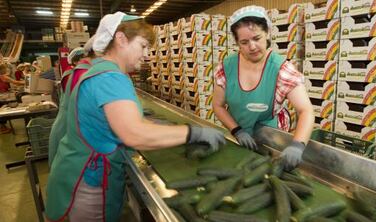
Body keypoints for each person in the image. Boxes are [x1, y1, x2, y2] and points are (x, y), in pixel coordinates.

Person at [45, 12, 226, 222]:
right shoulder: (110, 77)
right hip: (89, 182)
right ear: (121, 39)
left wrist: (160, 127)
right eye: (142, 45)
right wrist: (193, 133)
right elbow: (134, 134)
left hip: (75, 171)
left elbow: (123, 121)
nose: (147, 54)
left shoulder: (100, 70)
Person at [212, 5, 314, 170]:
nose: (252, 47)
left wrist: (297, 145)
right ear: (237, 42)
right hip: (238, 136)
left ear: (267, 34)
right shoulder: (226, 68)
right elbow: (217, 105)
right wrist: (236, 130)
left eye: (257, 38)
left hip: (272, 139)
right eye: (244, 42)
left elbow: (306, 111)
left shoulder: (281, 69)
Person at [48, 37, 96, 166]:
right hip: (66, 124)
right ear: (75, 61)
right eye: (83, 59)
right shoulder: (73, 74)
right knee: (64, 162)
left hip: (72, 121)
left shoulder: (78, 73)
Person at [0, 63, 24, 133]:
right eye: (4, 68)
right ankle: (2, 127)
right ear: (1, 69)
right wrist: (27, 82)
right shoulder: (3, 77)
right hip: (2, 98)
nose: (6, 69)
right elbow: (16, 82)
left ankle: (2, 126)